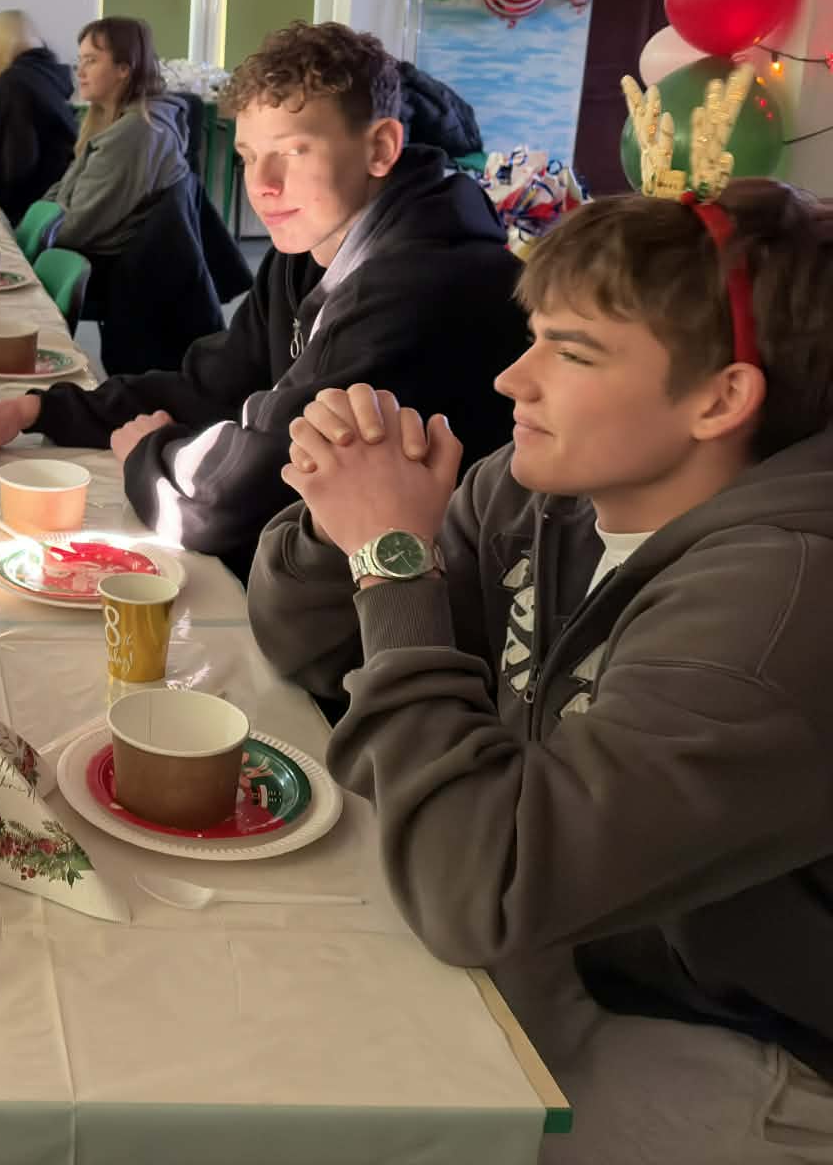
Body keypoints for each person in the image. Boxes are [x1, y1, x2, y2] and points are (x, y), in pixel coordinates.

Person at [246, 180, 833, 1162]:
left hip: (732, 1036)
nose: (512, 379)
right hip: (562, 932)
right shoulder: (548, 495)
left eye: (573, 351)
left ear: (719, 399)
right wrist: (339, 518)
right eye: (534, 336)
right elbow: (304, 649)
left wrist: (391, 558)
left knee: (311, 1121)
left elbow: (478, 890)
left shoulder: (779, 608)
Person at [0, 21, 527, 577]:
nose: (262, 184)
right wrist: (40, 408)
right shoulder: (309, 248)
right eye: (248, 156)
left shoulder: (423, 285)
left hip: (429, 595)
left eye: (293, 151)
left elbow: (221, 507)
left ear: (380, 147)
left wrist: (148, 453)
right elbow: (213, 385)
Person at [39, 16, 190, 258]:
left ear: (123, 69)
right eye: (80, 60)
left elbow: (76, 228)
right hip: (84, 254)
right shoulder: (106, 120)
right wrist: (32, 224)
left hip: (102, 268)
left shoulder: (135, 131)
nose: (80, 71)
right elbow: (64, 189)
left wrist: (28, 237)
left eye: (91, 61)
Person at [0, 10, 76, 229]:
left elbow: (17, 163)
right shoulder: (47, 76)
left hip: (25, 213)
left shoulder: (14, 82)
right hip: (51, 207)